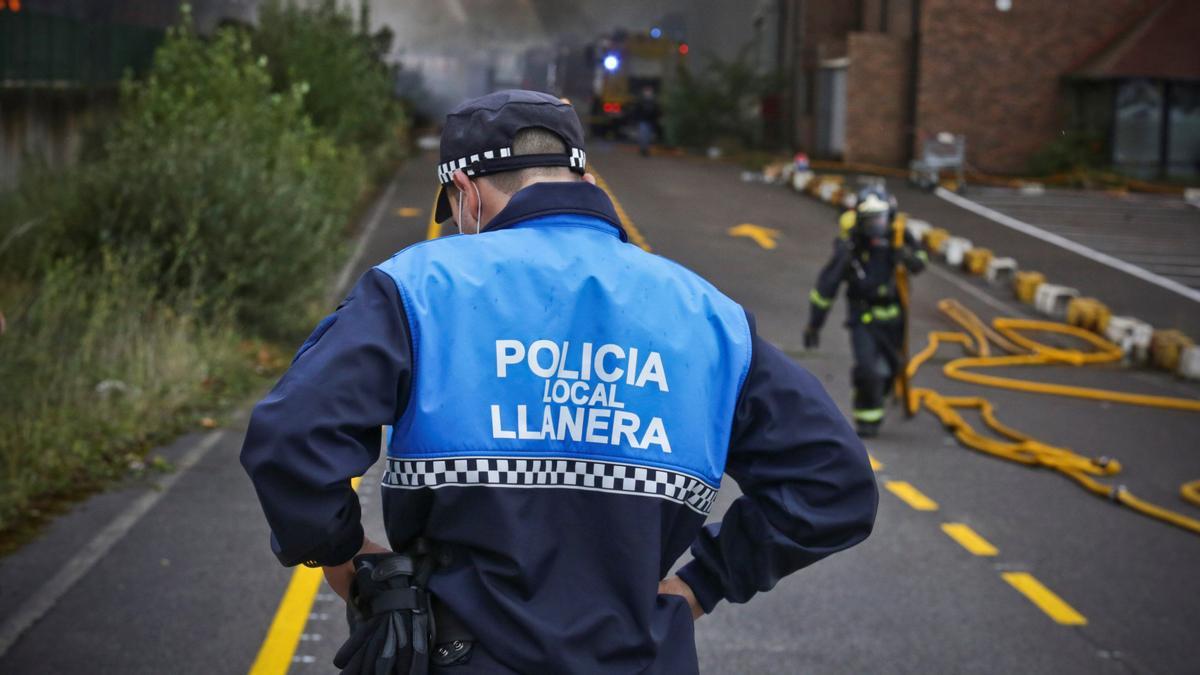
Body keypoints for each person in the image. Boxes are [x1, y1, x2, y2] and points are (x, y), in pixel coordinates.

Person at [242, 89, 877, 674]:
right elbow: (835, 485)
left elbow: (291, 439)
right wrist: (702, 584)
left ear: (465, 191)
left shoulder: (420, 288)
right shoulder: (710, 318)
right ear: (585, 177)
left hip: (458, 654)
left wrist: (350, 560)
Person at [804, 185, 928, 438]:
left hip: (894, 318)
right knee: (868, 370)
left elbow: (920, 261)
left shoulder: (899, 236)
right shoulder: (850, 248)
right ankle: (866, 418)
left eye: (881, 219)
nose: (877, 227)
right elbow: (827, 287)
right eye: (871, 221)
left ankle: (874, 398)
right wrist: (814, 325)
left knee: (891, 370)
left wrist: (906, 256)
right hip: (864, 318)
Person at [630, 85, 659, 157]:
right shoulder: (641, 101)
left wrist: (656, 120)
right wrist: (636, 120)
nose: (648, 93)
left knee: (648, 136)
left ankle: (645, 149)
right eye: (647, 91)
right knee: (643, 135)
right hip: (642, 121)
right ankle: (643, 149)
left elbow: (656, 111)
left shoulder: (653, 101)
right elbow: (636, 111)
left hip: (650, 121)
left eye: (649, 91)